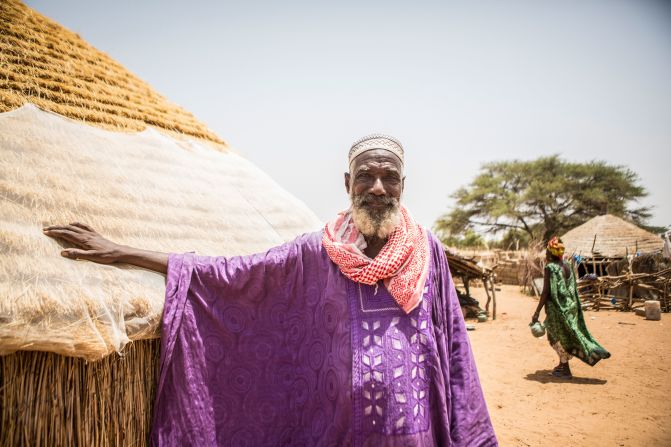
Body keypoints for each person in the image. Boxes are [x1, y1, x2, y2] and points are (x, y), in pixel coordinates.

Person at [44, 134, 497, 446]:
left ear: (403, 185)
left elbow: (455, 349)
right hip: (335, 435)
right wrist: (120, 250)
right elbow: (234, 275)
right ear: (347, 184)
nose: (377, 187)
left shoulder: (428, 253)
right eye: (366, 176)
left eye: (389, 177)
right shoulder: (316, 254)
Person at [531, 236, 611, 379]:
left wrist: (536, 313)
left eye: (548, 252)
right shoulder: (567, 265)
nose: (546, 255)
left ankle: (565, 368)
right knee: (568, 335)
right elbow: (572, 287)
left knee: (554, 337)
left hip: (557, 309)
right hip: (570, 306)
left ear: (551, 253)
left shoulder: (551, 268)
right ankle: (563, 365)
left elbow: (545, 292)